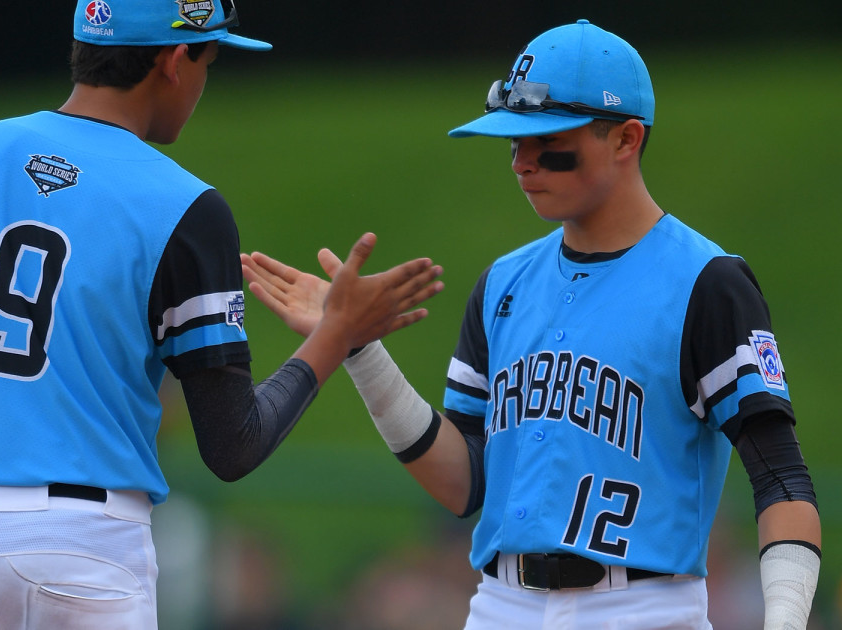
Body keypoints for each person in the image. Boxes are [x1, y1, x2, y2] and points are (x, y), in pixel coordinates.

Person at [0, 1, 445, 628]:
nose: (204, 82)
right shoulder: (186, 207)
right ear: (173, 60)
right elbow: (233, 446)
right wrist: (336, 335)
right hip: (80, 551)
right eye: (209, 60)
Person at [241, 19, 820, 629]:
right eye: (513, 141)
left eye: (546, 140)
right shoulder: (502, 284)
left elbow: (782, 479)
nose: (522, 162)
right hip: (501, 605)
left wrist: (783, 620)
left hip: (642, 607)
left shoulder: (707, 282)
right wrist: (357, 347)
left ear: (626, 139)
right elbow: (464, 484)